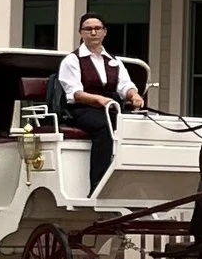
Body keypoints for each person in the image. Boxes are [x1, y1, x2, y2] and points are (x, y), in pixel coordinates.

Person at [57, 18, 144, 189]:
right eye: (88, 29)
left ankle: (131, 181)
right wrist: (98, 99)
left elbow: (124, 85)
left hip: (109, 108)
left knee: (134, 126)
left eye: (97, 28)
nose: (93, 32)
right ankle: (99, 184)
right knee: (104, 127)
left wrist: (134, 95)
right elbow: (75, 93)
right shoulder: (72, 60)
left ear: (104, 32)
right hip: (81, 110)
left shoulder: (114, 61)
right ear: (80, 33)